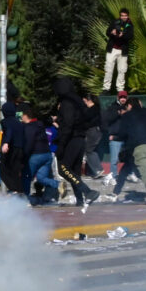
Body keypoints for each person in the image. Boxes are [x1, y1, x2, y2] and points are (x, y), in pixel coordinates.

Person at [53, 78, 101, 207]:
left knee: (63, 169)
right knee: (75, 171)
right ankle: (80, 200)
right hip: (80, 138)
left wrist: (61, 144)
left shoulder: (67, 103)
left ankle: (88, 191)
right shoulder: (78, 102)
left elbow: (68, 125)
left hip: (71, 139)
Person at [110, 98, 146, 203]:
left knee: (144, 174)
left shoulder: (127, 116)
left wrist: (115, 137)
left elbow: (122, 134)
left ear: (129, 105)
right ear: (139, 103)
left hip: (139, 149)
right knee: (142, 172)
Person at [22, 110, 60, 205]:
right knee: (41, 177)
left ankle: (25, 198)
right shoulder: (40, 125)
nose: (21, 118)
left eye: (22, 115)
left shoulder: (29, 127)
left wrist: (24, 155)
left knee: (27, 177)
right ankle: (57, 184)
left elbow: (29, 143)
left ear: (26, 116)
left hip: (36, 155)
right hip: (47, 154)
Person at [102, 8, 133, 93]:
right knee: (108, 68)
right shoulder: (115, 22)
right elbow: (107, 32)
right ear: (120, 16)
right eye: (122, 16)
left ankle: (120, 89)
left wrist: (123, 35)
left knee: (122, 70)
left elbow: (130, 36)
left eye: (125, 16)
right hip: (112, 49)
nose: (124, 17)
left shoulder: (130, 25)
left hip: (123, 51)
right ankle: (106, 88)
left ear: (128, 16)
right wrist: (112, 32)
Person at [100, 91, 129, 184]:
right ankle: (114, 176)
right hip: (115, 136)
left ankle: (130, 174)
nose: (123, 99)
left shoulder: (129, 107)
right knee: (114, 160)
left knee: (130, 157)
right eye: (121, 97)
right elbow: (107, 119)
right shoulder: (112, 107)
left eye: (124, 97)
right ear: (118, 97)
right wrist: (118, 113)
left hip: (128, 136)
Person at [81, 94, 105, 180]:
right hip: (94, 131)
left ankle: (98, 169)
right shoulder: (95, 109)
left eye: (85, 101)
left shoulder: (93, 110)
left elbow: (89, 121)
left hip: (93, 131)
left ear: (89, 100)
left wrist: (83, 125)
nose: (84, 103)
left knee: (89, 150)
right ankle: (97, 170)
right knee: (90, 150)